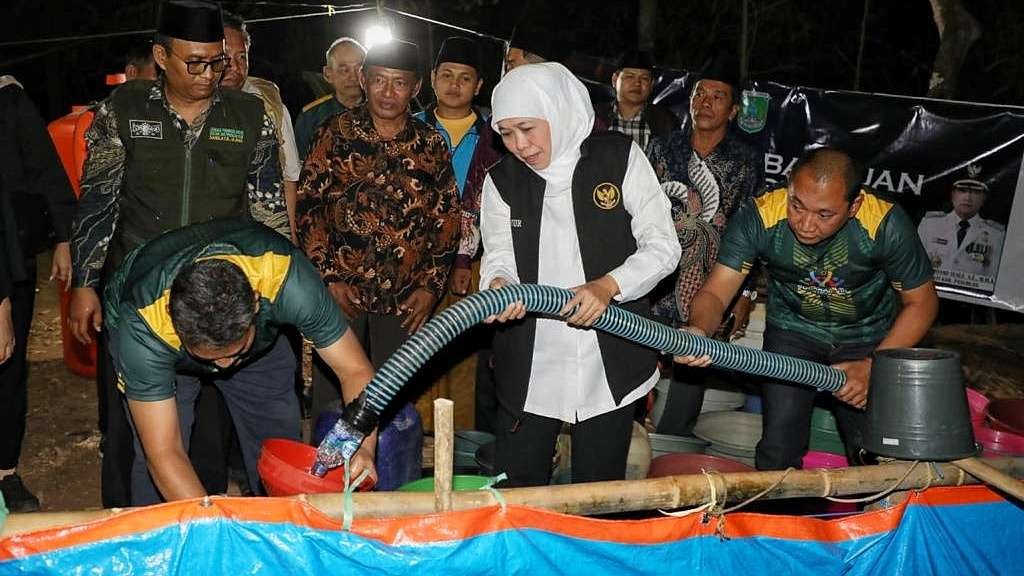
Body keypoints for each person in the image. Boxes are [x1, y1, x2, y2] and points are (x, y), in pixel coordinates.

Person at [69, 0, 284, 507]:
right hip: (142, 299)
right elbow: (99, 200)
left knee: (221, 432)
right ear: (160, 56)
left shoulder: (252, 115)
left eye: (219, 61)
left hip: (221, 297)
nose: (210, 74)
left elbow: (269, 212)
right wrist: (84, 282)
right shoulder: (123, 110)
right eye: (195, 62)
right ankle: (147, 531)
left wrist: (275, 289)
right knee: (146, 437)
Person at [480, 62, 679, 487]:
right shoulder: (501, 181)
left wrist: (609, 286)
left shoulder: (619, 157)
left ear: (557, 110)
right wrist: (499, 285)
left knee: (598, 487)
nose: (520, 145)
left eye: (528, 129)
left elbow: (663, 247)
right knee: (518, 485)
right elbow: (498, 255)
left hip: (610, 346)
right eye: (507, 134)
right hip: (532, 355)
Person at [677, 148, 938, 470]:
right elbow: (716, 292)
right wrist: (698, 331)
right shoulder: (760, 216)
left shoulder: (885, 223)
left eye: (824, 214)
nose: (806, 224)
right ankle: (775, 519)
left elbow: (922, 303)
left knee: (873, 451)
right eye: (797, 205)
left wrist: (874, 366)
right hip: (793, 332)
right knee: (778, 448)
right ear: (788, 188)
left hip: (868, 338)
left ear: (854, 206)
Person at [104, 220, 377, 504]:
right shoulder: (145, 325)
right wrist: (220, 530)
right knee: (157, 467)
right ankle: (161, 542)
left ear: (255, 303)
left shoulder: (286, 279)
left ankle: (277, 529)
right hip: (164, 347)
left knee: (278, 446)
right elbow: (164, 454)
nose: (223, 366)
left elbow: (354, 369)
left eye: (232, 353)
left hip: (258, 348)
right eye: (211, 357)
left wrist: (364, 445)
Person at [296, 39, 461, 490]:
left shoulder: (430, 143)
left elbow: (447, 218)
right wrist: (327, 276)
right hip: (339, 294)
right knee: (334, 394)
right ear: (365, 82)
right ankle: (326, 483)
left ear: (416, 88)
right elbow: (309, 209)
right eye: (380, 81)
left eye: (400, 84)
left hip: (403, 295)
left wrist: (430, 286)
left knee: (392, 394)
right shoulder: (333, 134)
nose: (389, 93)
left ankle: (388, 484)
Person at [646, 54, 764, 437]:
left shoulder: (745, 162)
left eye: (717, 97)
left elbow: (753, 228)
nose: (706, 103)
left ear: (732, 111)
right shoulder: (662, 149)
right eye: (700, 94)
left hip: (711, 283)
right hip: (654, 275)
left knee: (692, 363)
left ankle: (673, 446)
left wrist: (745, 292)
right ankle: (629, 434)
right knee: (636, 355)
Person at [0, 77, 77, 512]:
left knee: (6, 367)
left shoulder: (8, 97)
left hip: (11, 255)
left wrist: (64, 238)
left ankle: (4, 472)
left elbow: (46, 168)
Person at [221, 10, 300, 240]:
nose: (234, 67)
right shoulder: (189, 107)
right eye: (225, 58)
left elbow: (289, 176)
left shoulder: (270, 105)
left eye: (241, 57)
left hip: (263, 234)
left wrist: (291, 239)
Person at [917, 167, 1005, 289]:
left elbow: (994, 278)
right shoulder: (929, 224)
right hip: (929, 293)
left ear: (983, 198)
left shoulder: (996, 235)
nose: (968, 197)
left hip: (971, 302)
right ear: (953, 195)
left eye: (975, 192)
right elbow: (914, 266)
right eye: (962, 191)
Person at [294, 37, 366, 159]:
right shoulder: (311, 117)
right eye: (344, 70)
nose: (354, 77)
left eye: (359, 69)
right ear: (328, 74)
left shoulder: (382, 111)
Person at [595, 50, 678, 153]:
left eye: (644, 78)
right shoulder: (595, 117)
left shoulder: (665, 121)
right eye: (630, 77)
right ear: (615, 80)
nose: (637, 83)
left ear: (651, 85)